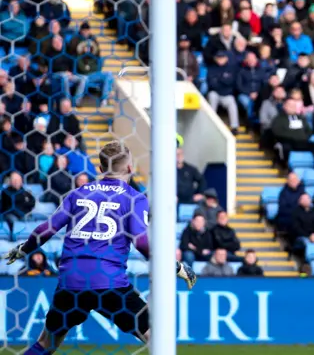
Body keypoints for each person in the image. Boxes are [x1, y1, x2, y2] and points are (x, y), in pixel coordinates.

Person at [2, 141, 197, 354]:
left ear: (101, 169)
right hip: (109, 281)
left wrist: (23, 249)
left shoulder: (78, 193)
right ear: (130, 168)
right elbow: (141, 242)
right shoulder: (134, 198)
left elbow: (46, 229)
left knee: (45, 344)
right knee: (158, 338)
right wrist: (176, 267)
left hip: (71, 283)